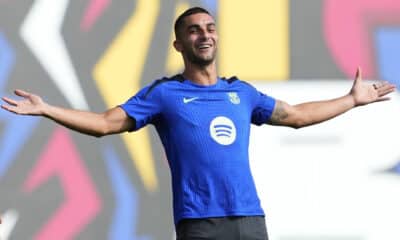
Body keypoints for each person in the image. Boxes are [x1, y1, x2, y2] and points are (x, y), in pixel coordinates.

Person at [1, 7, 396, 240]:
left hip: (250, 220)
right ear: (179, 45)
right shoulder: (163, 95)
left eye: (209, 29)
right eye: (193, 31)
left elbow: (294, 116)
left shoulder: (241, 93)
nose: (204, 35)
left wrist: (351, 100)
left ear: (216, 38)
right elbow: (106, 123)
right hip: (200, 224)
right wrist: (48, 109)